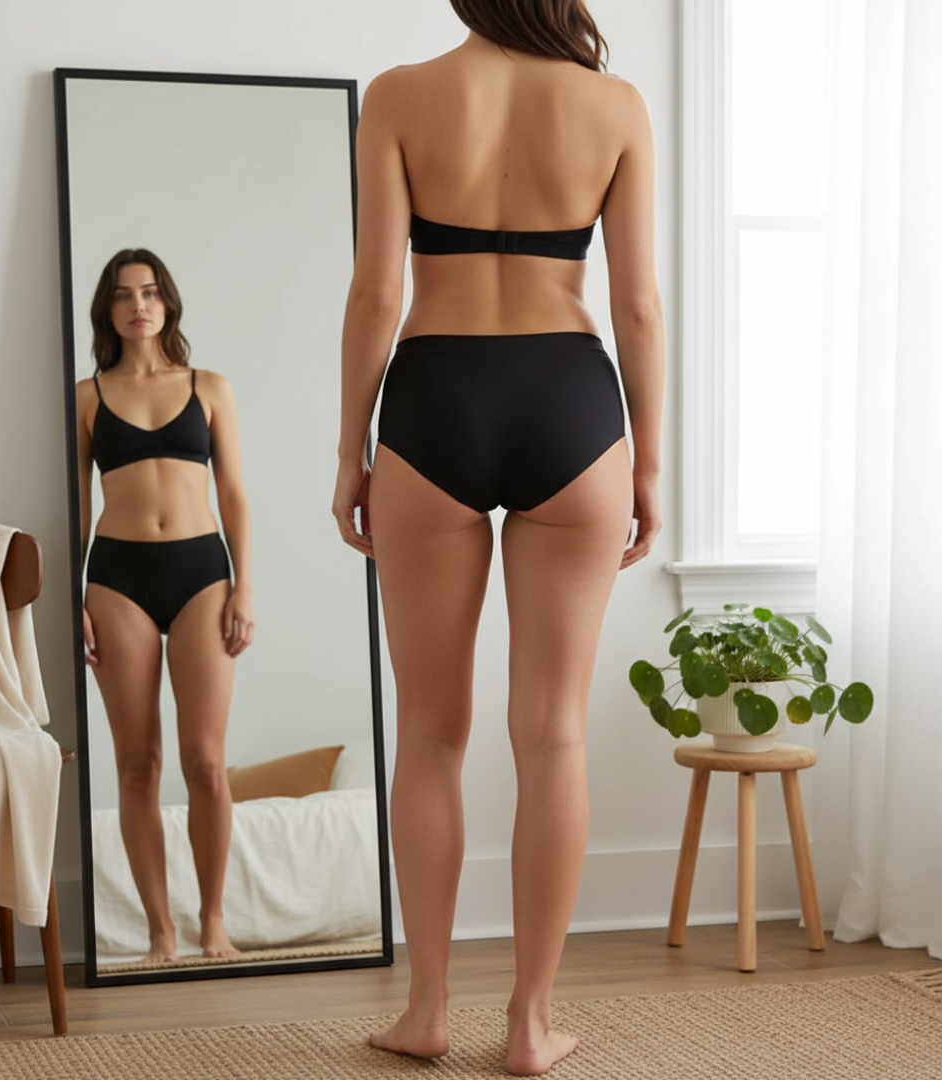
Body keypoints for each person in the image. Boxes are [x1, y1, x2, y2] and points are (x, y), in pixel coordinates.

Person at [332, 2, 664, 1074]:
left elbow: (379, 290)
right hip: (571, 399)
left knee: (430, 732)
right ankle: (529, 1024)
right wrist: (646, 462)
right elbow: (641, 305)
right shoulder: (614, 105)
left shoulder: (398, 95)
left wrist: (353, 449)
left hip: (436, 398)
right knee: (554, 733)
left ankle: (426, 1013)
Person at [76, 249, 254, 964]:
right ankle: (160, 931)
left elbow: (235, 493)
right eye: (123, 295)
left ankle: (214, 922)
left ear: (168, 304)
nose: (138, 305)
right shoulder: (87, 396)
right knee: (136, 762)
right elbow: (75, 501)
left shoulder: (209, 387)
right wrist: (72, 602)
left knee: (206, 760)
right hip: (115, 576)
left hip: (201, 573)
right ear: (109, 310)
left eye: (149, 293)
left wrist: (246, 584)